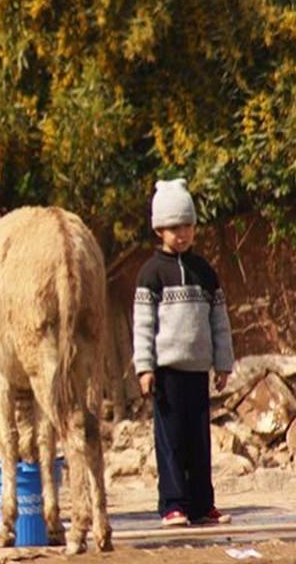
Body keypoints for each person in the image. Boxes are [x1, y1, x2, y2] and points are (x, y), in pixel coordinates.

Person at [132, 178, 234, 528]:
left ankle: (202, 504)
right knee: (171, 442)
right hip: (167, 374)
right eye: (175, 227)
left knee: (199, 440)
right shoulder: (151, 274)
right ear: (160, 228)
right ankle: (173, 505)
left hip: (197, 373)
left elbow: (219, 320)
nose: (183, 234)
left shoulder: (204, 271)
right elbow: (143, 326)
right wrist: (144, 368)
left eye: (188, 226)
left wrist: (223, 364)